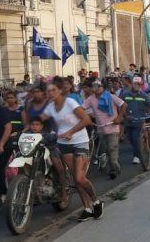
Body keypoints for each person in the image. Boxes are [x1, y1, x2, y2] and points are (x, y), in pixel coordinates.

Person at [42, 82, 100, 220]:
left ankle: (96, 202)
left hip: (80, 142)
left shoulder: (70, 102)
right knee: (75, 178)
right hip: (63, 144)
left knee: (80, 177)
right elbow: (38, 119)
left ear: (60, 90)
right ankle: (87, 208)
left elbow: (86, 120)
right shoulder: (50, 107)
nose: (50, 93)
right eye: (48, 91)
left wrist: (70, 132)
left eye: (53, 90)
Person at [83, 80, 126, 179]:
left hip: (113, 127)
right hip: (101, 129)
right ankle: (111, 167)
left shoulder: (111, 96)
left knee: (112, 149)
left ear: (102, 87)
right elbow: (82, 108)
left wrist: (119, 117)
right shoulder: (90, 99)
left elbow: (124, 105)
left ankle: (115, 169)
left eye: (98, 87)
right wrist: (86, 117)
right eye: (94, 87)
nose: (96, 89)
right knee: (106, 150)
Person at [122, 76, 150, 166]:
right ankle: (137, 153)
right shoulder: (125, 94)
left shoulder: (143, 95)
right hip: (129, 121)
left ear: (141, 85)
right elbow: (121, 106)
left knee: (135, 138)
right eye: (135, 84)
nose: (137, 86)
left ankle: (137, 156)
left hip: (139, 121)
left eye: (139, 84)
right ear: (132, 84)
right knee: (131, 139)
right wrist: (125, 115)